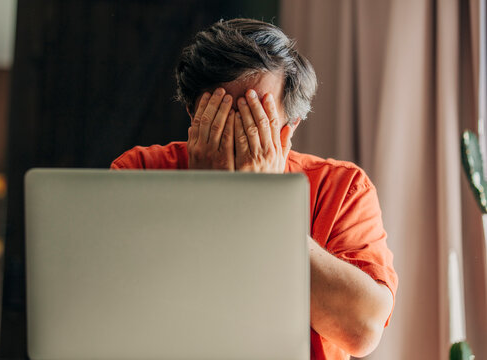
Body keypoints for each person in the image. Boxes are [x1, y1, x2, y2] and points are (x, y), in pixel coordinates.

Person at [111, 18, 398, 359]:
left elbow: (361, 332)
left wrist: (265, 204)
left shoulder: (342, 188)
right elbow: (119, 313)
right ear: (193, 114)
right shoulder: (140, 172)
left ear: (287, 130)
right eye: (221, 119)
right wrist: (200, 199)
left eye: (252, 123)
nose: (234, 139)